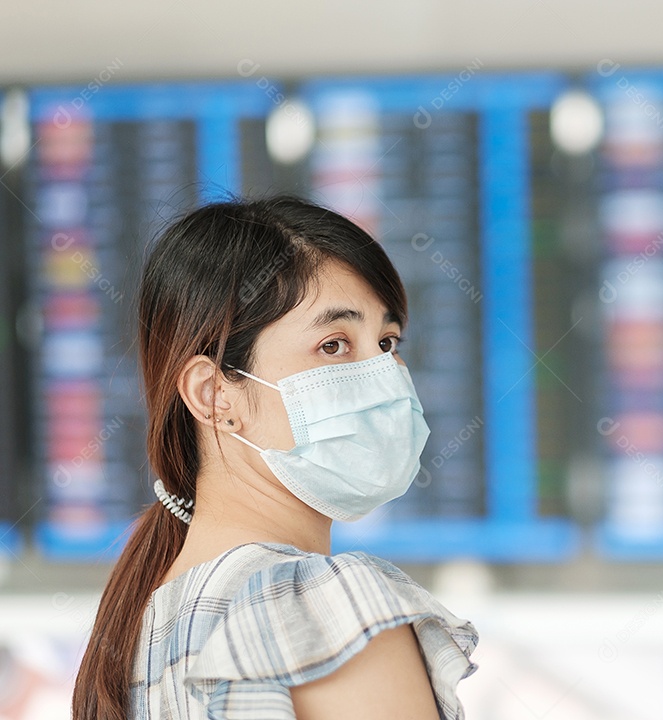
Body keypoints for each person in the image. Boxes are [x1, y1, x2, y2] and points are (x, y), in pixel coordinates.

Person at [71, 195, 479, 719]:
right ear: (214, 394)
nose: (383, 376)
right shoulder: (332, 610)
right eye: (333, 345)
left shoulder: (140, 633)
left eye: (386, 342)